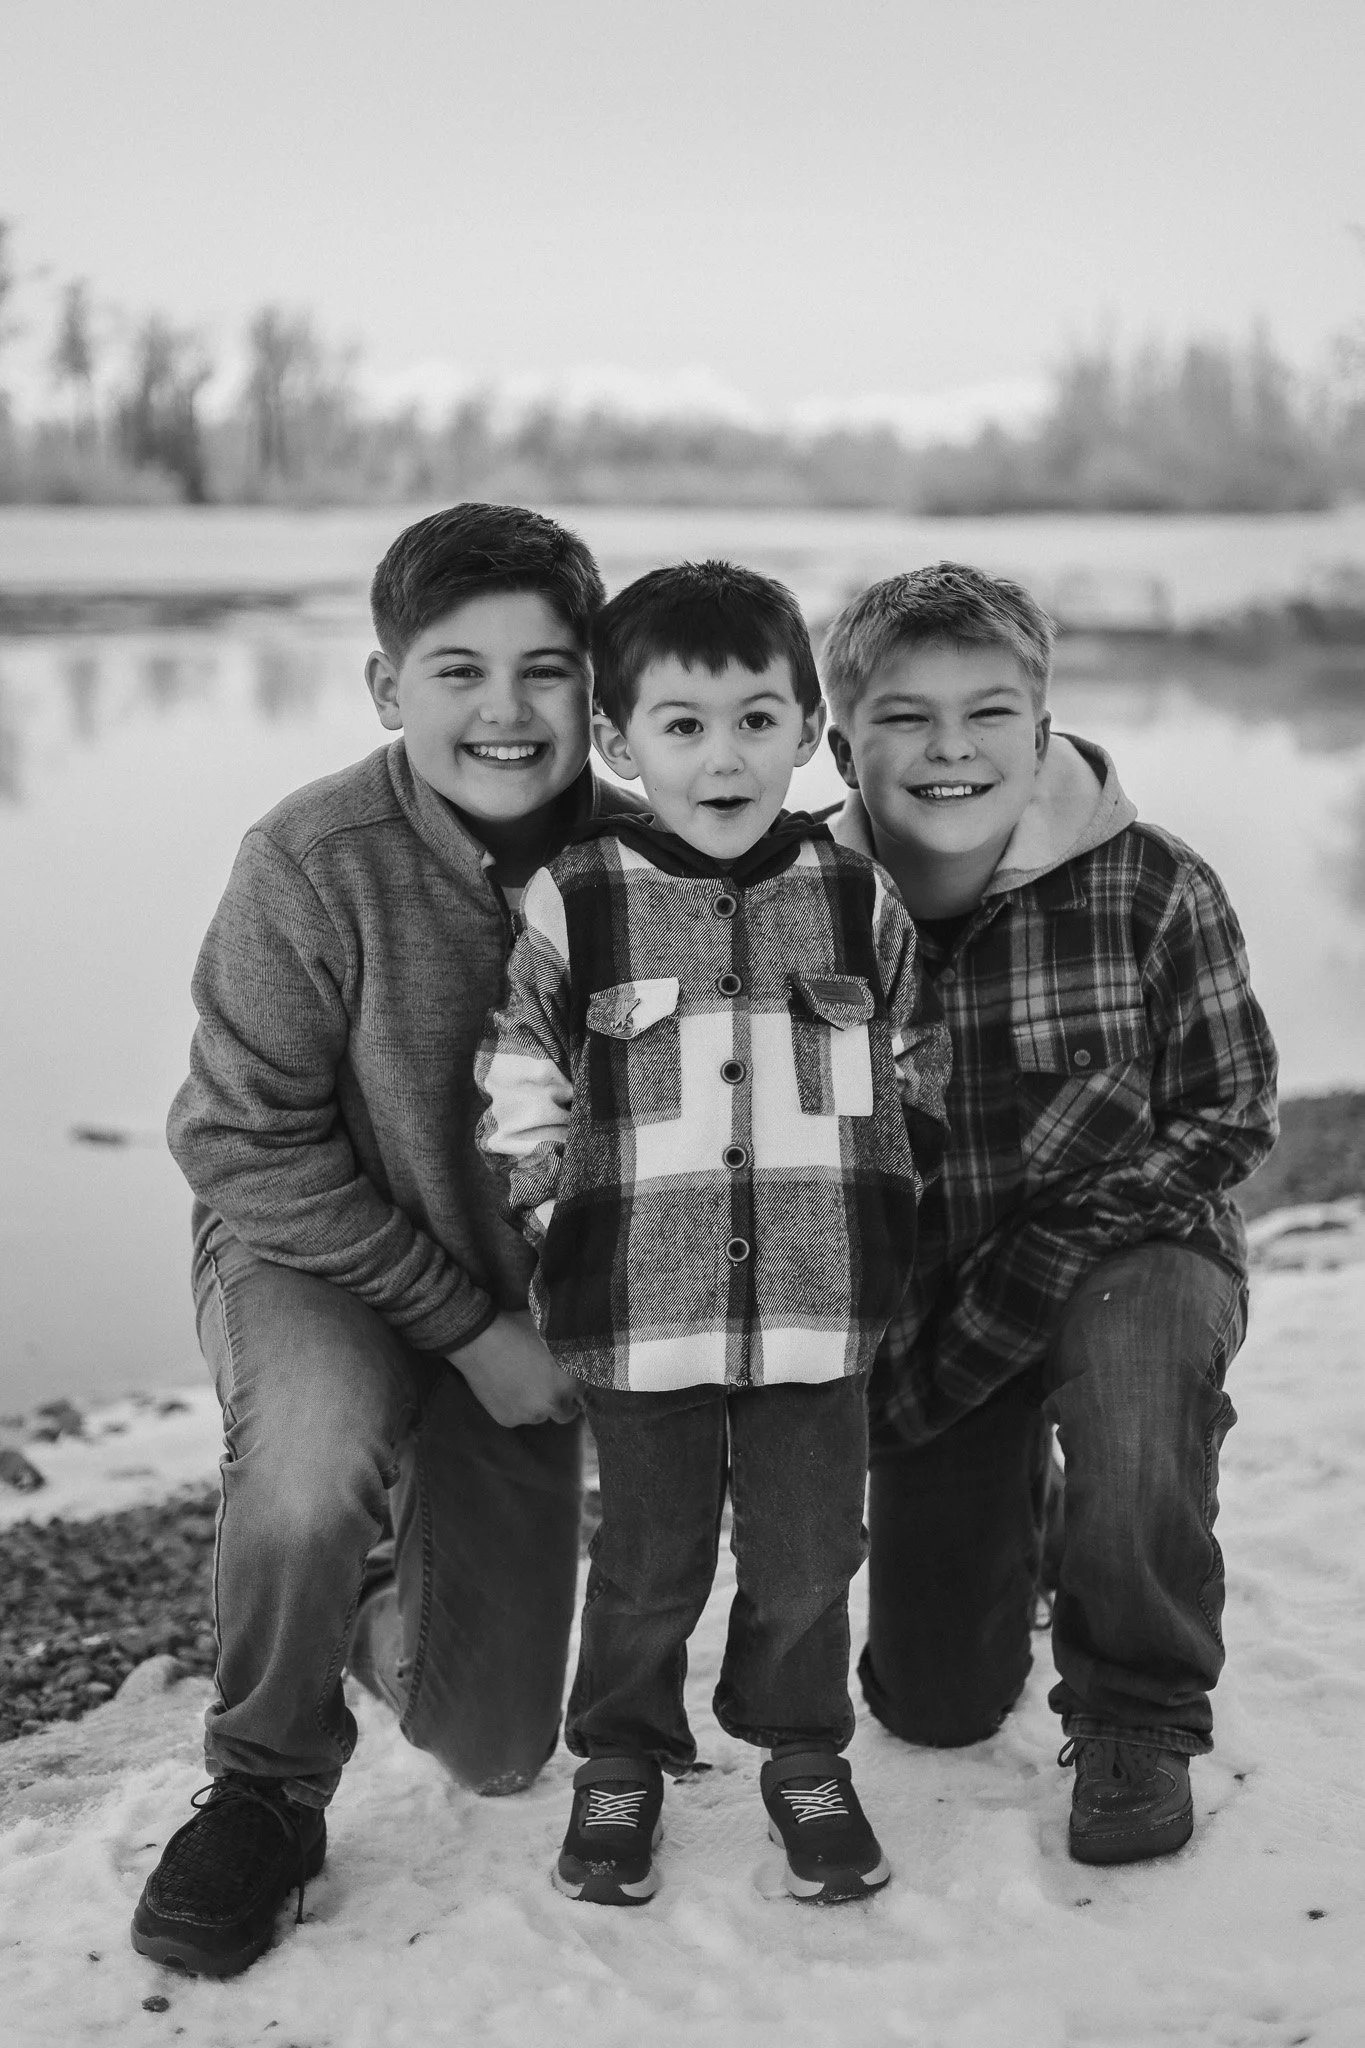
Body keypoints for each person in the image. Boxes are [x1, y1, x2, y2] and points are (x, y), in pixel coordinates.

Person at [132, 503, 642, 1979]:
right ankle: (265, 1785)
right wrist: (465, 1334)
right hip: (314, 1249)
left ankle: (359, 1588)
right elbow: (238, 1140)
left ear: (594, 690)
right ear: (384, 689)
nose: (505, 711)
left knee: (491, 1750)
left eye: (545, 672)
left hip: (514, 1292)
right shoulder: (312, 856)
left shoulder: (651, 857)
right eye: (457, 672)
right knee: (304, 1466)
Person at [477, 561, 951, 1906]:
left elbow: (911, 1051)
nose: (723, 753)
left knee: (812, 1551)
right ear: (623, 745)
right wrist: (552, 1199)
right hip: (642, 1309)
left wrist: (897, 1170)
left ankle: (800, 1746)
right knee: (646, 1557)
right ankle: (621, 1754)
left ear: (809, 729)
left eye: (757, 718)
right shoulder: (575, 897)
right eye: (682, 726)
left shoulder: (857, 894)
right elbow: (521, 1071)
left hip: (822, 1300)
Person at [822, 561, 1278, 1866]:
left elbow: (1234, 1114)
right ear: (843, 736)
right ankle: (1021, 1523)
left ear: (1043, 722)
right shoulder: (799, 911)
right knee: (933, 1706)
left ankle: (1138, 1707)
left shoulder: (1151, 885)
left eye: (989, 713)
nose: (949, 749)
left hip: (1128, 1260)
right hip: (933, 1323)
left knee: (1134, 1386)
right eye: (904, 716)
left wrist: (1054, 1248)